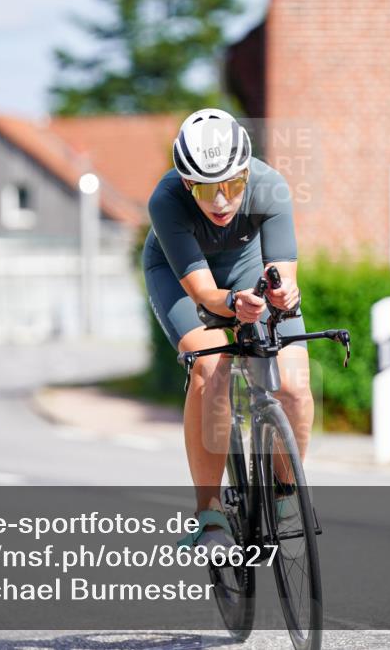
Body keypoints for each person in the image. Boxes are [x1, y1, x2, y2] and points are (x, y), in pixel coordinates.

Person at [142, 109, 312, 551]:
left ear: (245, 173)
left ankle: (283, 493)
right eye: (205, 189)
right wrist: (234, 305)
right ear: (185, 184)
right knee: (211, 366)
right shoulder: (165, 201)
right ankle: (210, 515)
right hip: (182, 276)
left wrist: (282, 295)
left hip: (247, 266)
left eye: (233, 187)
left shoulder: (269, 185)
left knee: (293, 385)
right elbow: (202, 292)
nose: (220, 202)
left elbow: (283, 271)